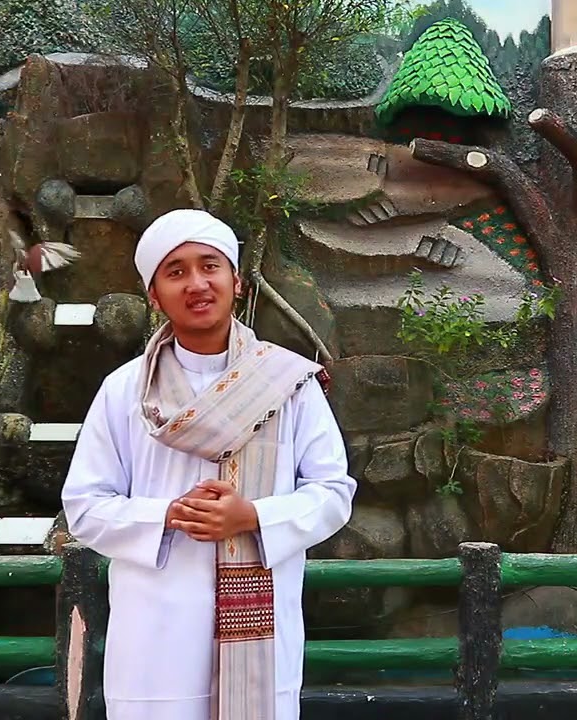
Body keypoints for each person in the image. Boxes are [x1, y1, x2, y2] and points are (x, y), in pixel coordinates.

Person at [61, 208, 356, 720]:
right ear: (154, 296)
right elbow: (84, 507)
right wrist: (167, 515)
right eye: (175, 272)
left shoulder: (288, 384)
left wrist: (253, 517)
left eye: (210, 266)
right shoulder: (125, 390)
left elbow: (333, 492)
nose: (196, 283)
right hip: (155, 637)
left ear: (237, 282)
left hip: (261, 633)